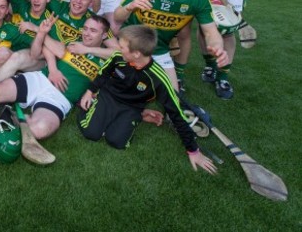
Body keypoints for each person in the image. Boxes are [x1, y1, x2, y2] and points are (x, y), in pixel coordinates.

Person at [76, 25, 217, 175]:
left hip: (132, 107)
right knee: (91, 133)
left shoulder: (158, 78)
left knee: (117, 142)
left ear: (136, 53)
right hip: (108, 97)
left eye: (122, 46)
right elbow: (103, 74)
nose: (118, 48)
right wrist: (89, 91)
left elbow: (176, 113)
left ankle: (140, 115)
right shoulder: (118, 57)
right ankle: (96, 108)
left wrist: (193, 151)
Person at [113, 0, 229, 91]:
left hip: (159, 49)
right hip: (129, 45)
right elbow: (117, 17)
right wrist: (130, 6)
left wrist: (218, 47)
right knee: (121, 88)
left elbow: (211, 32)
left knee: (173, 95)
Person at [0, 14, 109, 141]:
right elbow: (48, 47)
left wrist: (86, 50)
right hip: (41, 80)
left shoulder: (107, 61)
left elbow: (122, 55)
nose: (86, 33)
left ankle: (12, 116)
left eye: (93, 31)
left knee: (40, 129)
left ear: (104, 35)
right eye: (85, 28)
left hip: (60, 98)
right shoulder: (72, 42)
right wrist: (53, 70)